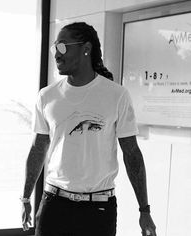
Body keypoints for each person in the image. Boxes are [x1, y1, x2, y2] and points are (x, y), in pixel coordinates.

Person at [21, 22, 157, 236]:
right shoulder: (47, 96)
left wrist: (144, 210)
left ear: (86, 49)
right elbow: (38, 148)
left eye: (63, 47)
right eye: (54, 48)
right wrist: (26, 197)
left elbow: (131, 154)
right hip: (53, 206)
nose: (56, 54)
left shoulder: (116, 95)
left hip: (99, 210)